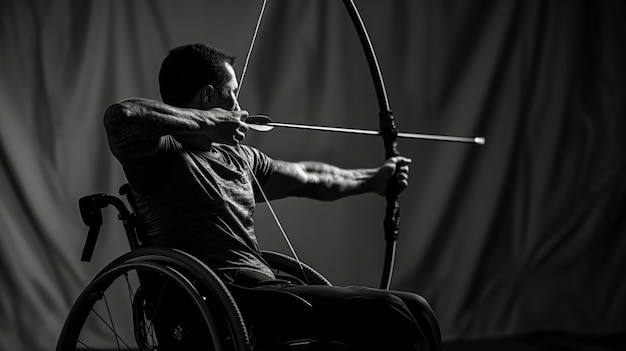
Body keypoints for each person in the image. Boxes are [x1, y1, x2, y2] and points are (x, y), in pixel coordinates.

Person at [104, 43, 441, 350]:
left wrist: (373, 180)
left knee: (418, 308)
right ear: (208, 98)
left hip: (265, 292)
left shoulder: (238, 158)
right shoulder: (159, 154)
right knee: (391, 313)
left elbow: (308, 178)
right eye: (232, 95)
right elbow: (122, 117)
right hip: (223, 300)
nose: (239, 107)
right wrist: (207, 122)